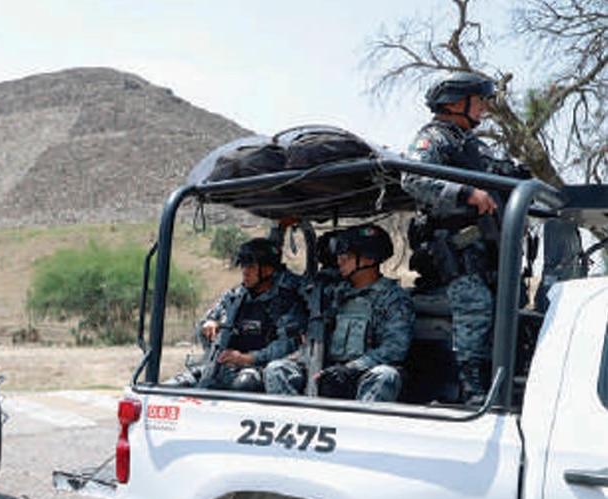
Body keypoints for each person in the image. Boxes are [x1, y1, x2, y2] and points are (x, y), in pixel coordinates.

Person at [401, 72, 530, 404]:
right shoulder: (434, 138)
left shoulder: (472, 144)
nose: (485, 108)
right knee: (477, 308)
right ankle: (472, 392)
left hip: (488, 254)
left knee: (509, 310)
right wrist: (465, 193)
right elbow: (413, 177)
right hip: (456, 256)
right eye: (480, 101)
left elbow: (499, 170)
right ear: (457, 102)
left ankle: (495, 386)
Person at [264, 224, 415, 402]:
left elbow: (394, 349)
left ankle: (358, 428)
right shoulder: (331, 292)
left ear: (368, 259)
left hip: (361, 374)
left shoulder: (393, 298)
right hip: (323, 368)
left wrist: (351, 369)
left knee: (385, 376)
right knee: (276, 369)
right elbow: (282, 281)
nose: (339, 261)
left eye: (346, 256)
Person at [173, 238, 305, 391]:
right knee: (178, 385)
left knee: (245, 383)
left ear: (268, 269)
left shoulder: (286, 301)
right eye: (243, 266)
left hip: (261, 371)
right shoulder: (235, 297)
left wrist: (247, 359)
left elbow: (287, 345)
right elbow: (206, 325)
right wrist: (209, 324)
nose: (245, 271)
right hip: (227, 366)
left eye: (251, 266)